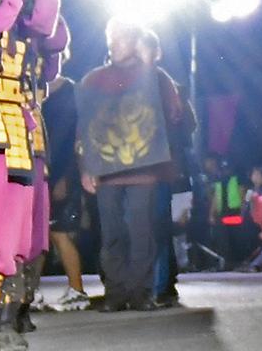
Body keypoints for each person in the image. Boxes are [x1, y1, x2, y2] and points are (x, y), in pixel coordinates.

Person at [71, 17, 191, 308]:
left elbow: (177, 117)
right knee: (112, 234)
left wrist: (150, 71)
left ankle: (140, 293)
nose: (113, 44)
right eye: (110, 37)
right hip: (107, 170)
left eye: (121, 37)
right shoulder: (93, 79)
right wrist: (85, 167)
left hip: (145, 170)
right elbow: (83, 129)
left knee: (142, 233)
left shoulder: (156, 76)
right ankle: (115, 292)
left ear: (135, 41)